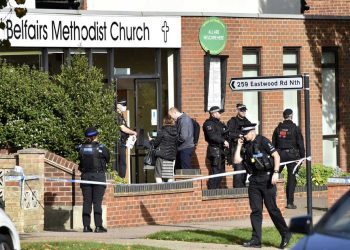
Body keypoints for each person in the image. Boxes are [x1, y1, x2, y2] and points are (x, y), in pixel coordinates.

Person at [234, 123, 291, 249]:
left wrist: (276, 173)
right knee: (255, 211)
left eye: (245, 134)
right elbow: (237, 160)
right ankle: (256, 240)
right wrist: (239, 145)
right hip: (254, 180)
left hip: (267, 179)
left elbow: (276, 156)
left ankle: (285, 234)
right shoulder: (245, 145)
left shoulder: (263, 141)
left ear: (252, 132)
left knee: (272, 209)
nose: (244, 136)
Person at [77, 127, 110, 233]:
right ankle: (98, 226)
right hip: (98, 177)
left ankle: (86, 226)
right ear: (96, 136)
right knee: (97, 202)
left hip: (85, 176)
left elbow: (80, 161)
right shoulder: (102, 148)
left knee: (86, 202)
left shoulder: (81, 148)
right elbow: (107, 159)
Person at [272, 108, 305, 209]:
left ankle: (270, 199)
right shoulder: (295, 128)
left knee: (274, 175)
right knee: (291, 179)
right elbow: (300, 143)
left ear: (284, 116)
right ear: (291, 116)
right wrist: (302, 157)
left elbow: (273, 143)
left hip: (280, 155)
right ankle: (289, 203)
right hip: (292, 156)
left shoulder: (278, 128)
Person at [203, 106, 229, 189]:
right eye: (218, 112)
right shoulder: (208, 124)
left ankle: (215, 189)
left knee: (221, 172)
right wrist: (223, 141)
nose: (220, 114)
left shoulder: (219, 124)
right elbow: (212, 136)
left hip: (221, 151)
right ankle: (211, 190)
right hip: (214, 151)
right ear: (213, 114)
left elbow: (226, 133)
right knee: (216, 172)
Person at [227, 103, 251, 188]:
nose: (244, 112)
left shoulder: (247, 121)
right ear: (237, 110)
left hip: (246, 149)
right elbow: (229, 134)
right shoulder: (232, 121)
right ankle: (237, 191)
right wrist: (239, 135)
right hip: (237, 150)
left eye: (245, 110)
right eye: (242, 110)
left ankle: (243, 190)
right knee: (238, 171)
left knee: (245, 171)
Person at [148, 115, 178, 183]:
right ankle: (169, 191)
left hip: (162, 156)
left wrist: (151, 140)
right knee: (169, 176)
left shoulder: (162, 131)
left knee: (158, 175)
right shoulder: (176, 132)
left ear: (164, 122)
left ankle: (161, 191)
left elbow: (156, 143)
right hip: (171, 156)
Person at [116, 100, 137, 178]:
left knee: (123, 162)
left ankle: (122, 178)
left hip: (123, 142)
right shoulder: (116, 116)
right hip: (118, 142)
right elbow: (123, 128)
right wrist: (133, 132)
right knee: (121, 162)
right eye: (123, 105)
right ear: (118, 105)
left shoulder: (121, 116)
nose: (124, 107)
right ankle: (120, 179)